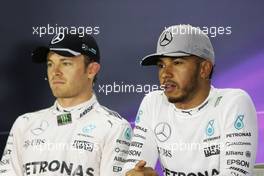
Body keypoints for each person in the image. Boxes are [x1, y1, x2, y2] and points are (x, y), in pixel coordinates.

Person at [124, 24, 258, 176]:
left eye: (177, 63)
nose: (165, 74)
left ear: (204, 69)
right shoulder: (153, 102)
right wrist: (134, 173)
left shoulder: (234, 103)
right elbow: (133, 167)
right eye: (161, 65)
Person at [0, 33, 132, 176]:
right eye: (50, 64)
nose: (55, 72)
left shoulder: (113, 127)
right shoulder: (24, 123)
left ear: (91, 70)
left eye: (65, 63)